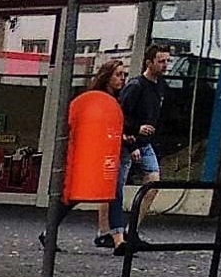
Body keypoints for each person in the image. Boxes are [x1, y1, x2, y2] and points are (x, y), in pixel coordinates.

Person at [65, 58, 128, 252]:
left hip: (107, 152)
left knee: (114, 193)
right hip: (95, 153)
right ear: (107, 77)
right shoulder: (97, 100)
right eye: (118, 75)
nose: (122, 79)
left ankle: (119, 239)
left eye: (124, 75)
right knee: (78, 195)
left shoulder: (115, 100)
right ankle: (48, 231)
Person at [121, 44, 174, 213]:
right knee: (115, 188)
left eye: (167, 61)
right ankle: (110, 229)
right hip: (128, 141)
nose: (165, 65)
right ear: (149, 63)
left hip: (144, 142)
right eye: (161, 61)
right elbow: (120, 116)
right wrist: (133, 138)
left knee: (153, 182)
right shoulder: (136, 86)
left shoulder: (161, 85)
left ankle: (132, 228)